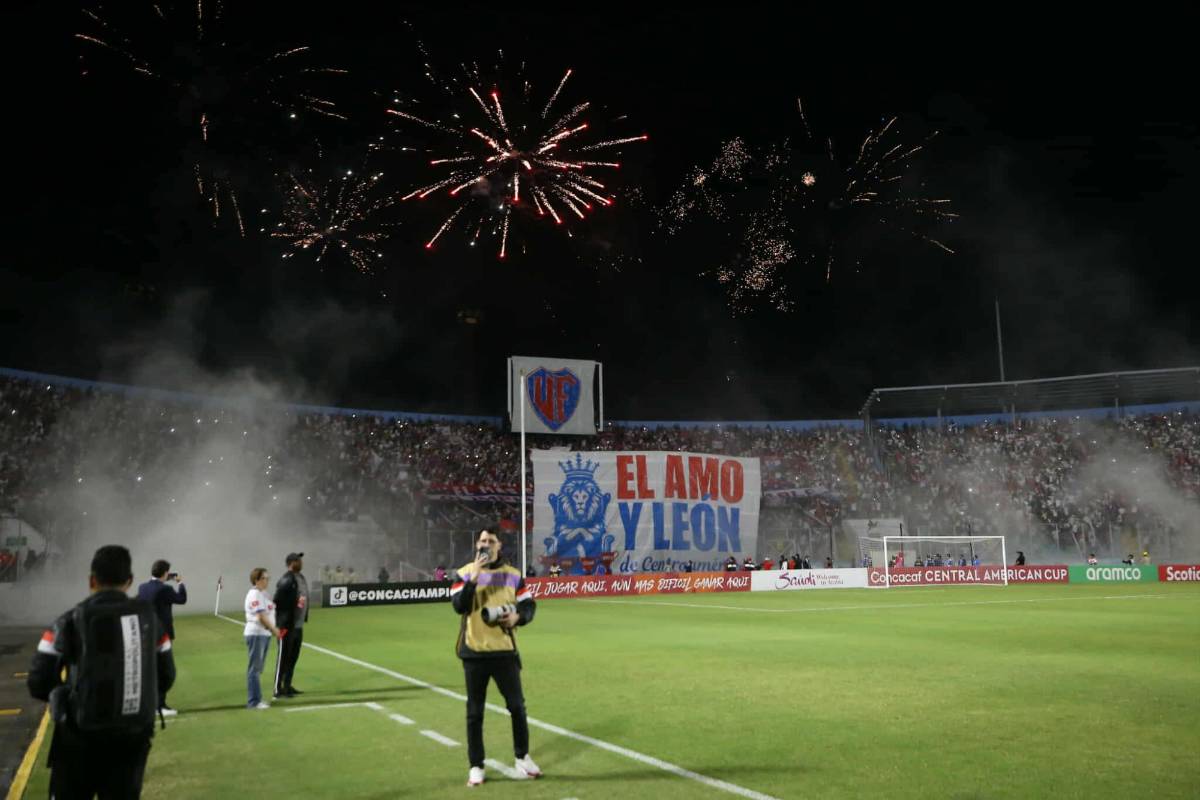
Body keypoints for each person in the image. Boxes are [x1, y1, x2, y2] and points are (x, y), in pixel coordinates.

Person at [28, 545, 175, 799]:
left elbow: (38, 681)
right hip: (131, 739)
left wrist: (66, 700)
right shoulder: (151, 621)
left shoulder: (68, 620)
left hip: (78, 739)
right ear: (129, 581)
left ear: (91, 580)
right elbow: (166, 675)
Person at [451, 528, 541, 786]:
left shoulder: (513, 575)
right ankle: (476, 765)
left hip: (505, 652)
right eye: (482, 540)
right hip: (474, 652)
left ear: (499, 546)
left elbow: (529, 605)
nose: (485, 544)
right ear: (476, 544)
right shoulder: (465, 572)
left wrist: (519, 617)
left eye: (491, 541)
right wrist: (474, 580)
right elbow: (459, 606)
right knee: (474, 712)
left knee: (517, 707)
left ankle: (522, 757)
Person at [136, 558, 187, 715]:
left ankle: (150, 704)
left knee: (150, 670)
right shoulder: (165, 589)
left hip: (145, 633)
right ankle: (160, 705)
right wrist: (180, 583)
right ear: (165, 573)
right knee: (163, 670)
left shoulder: (142, 587)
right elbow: (182, 599)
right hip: (161, 635)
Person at [244, 567, 282, 709]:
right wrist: (274, 630)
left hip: (263, 634)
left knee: (258, 668)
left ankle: (257, 699)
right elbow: (260, 616)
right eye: (265, 578)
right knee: (254, 669)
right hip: (256, 633)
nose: (267, 581)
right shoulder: (254, 594)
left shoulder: (263, 594)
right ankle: (253, 701)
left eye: (268, 578)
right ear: (256, 580)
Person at [273, 552, 309, 699]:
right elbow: (277, 601)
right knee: (283, 657)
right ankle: (277, 688)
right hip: (286, 625)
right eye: (298, 560)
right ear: (291, 563)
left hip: (298, 625)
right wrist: (281, 622)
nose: (301, 562)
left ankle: (287, 686)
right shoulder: (286, 579)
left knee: (293, 657)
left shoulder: (301, 578)